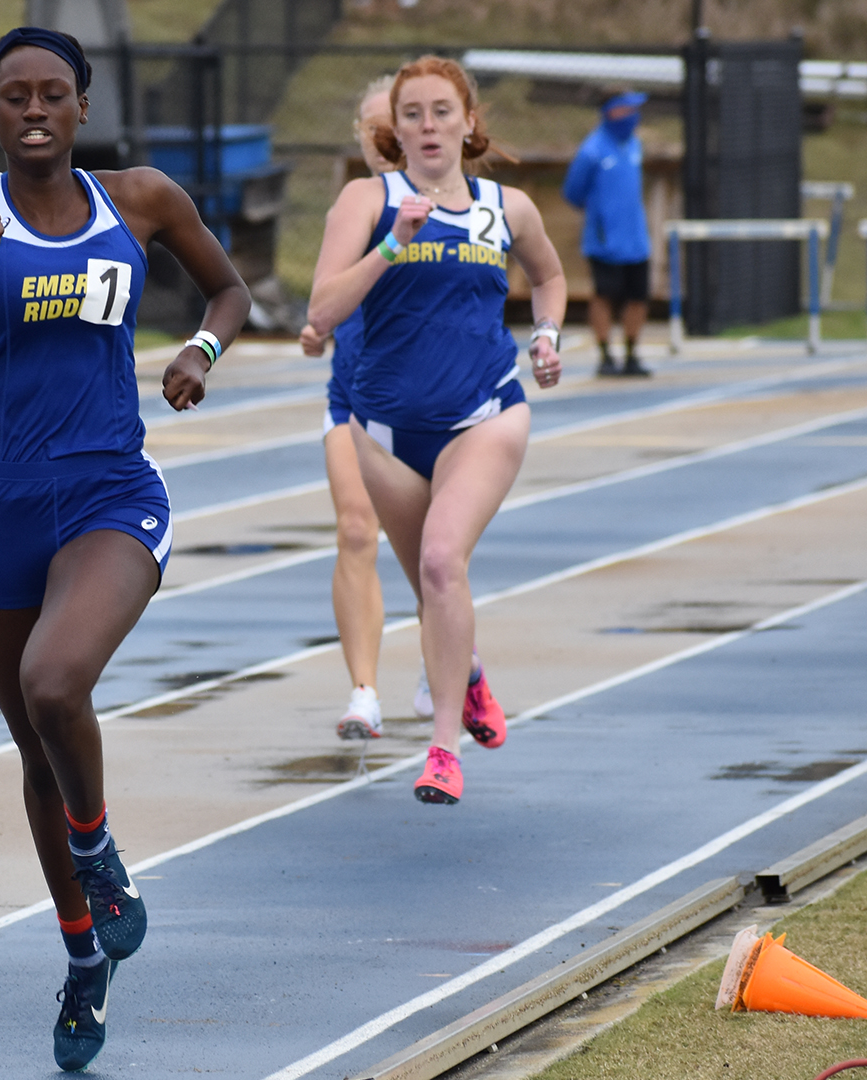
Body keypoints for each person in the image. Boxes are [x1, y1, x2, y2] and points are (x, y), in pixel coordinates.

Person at [0, 27, 248, 1071]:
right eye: (13, 97)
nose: (34, 110)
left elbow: (230, 290)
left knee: (54, 681)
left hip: (111, 493)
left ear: (83, 106)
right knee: (38, 751)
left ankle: (99, 850)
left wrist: (201, 354)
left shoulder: (140, 198)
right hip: (0, 507)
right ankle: (85, 958)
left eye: (52, 94)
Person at [303, 55, 565, 805]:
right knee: (429, 585)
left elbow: (548, 276)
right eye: (411, 114)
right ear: (394, 130)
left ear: (468, 123)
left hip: (484, 411)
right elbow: (321, 310)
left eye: (441, 112)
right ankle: (470, 672)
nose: (427, 126)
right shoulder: (368, 200)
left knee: (445, 563)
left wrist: (547, 334)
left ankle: (442, 749)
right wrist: (392, 245)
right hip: (382, 426)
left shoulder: (505, 207)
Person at [299, 77, 410, 739]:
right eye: (371, 130)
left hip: (433, 402)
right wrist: (320, 330)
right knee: (356, 531)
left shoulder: (455, 202)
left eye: (392, 125)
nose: (382, 140)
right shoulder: (354, 204)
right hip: (355, 394)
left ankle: (448, 660)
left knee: (432, 551)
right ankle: (364, 691)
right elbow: (328, 299)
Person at [564, 87, 651, 377]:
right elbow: (573, 192)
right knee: (605, 294)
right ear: (611, 112)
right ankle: (604, 354)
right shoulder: (592, 150)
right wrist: (600, 217)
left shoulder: (634, 145)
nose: (633, 117)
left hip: (636, 237)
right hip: (605, 240)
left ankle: (631, 353)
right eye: (627, 109)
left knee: (638, 296)